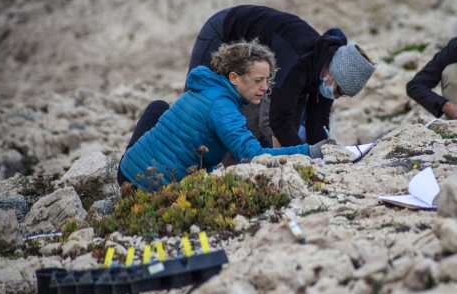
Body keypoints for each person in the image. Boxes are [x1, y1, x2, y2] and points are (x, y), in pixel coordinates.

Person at [118, 40, 335, 189]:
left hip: (129, 169)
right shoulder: (222, 107)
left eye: (267, 80)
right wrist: (311, 151)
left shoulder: (210, 89)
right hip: (144, 186)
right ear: (234, 78)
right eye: (257, 80)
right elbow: (254, 155)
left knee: (158, 107)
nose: (265, 87)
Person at [186, 5, 376, 148]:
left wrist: (323, 158)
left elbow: (317, 123)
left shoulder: (324, 73)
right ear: (335, 72)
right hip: (222, 33)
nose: (335, 97)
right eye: (338, 91)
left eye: (341, 95)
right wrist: (305, 159)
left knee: (272, 120)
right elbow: (277, 121)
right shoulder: (300, 63)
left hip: (259, 58)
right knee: (196, 104)